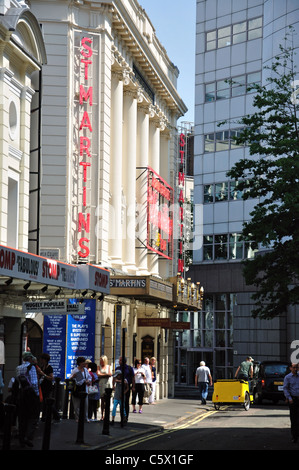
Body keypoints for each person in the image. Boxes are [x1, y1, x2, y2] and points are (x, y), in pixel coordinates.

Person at [14, 351, 40, 447]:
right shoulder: (32, 367)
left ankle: (21, 438)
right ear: (29, 359)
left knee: (22, 417)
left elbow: (18, 381)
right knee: (32, 417)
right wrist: (36, 395)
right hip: (31, 396)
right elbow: (33, 383)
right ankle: (28, 437)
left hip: (22, 395)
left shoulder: (18, 368)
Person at [39, 353, 60, 422]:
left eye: (42, 359)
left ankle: (56, 415)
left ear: (45, 360)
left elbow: (51, 378)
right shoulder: (42, 367)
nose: (41, 360)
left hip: (48, 387)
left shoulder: (49, 367)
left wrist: (43, 374)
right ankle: (44, 416)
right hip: (42, 386)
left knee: (48, 401)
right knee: (44, 401)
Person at [69, 356, 92, 422]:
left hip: (84, 389)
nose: (84, 364)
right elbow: (73, 380)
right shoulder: (75, 370)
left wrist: (88, 381)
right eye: (83, 362)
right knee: (77, 405)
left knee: (86, 404)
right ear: (79, 363)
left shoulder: (85, 370)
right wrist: (83, 380)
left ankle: (86, 417)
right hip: (77, 389)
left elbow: (89, 377)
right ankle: (77, 417)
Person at [283, 363, 299, 443]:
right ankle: (294, 436)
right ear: (290, 368)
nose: (295, 369)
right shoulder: (288, 377)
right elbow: (285, 388)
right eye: (294, 367)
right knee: (294, 419)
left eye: (297, 367)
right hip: (293, 400)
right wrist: (289, 398)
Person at [98, 355, 112, 420]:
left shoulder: (109, 367)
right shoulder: (99, 367)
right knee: (102, 401)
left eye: (102, 360)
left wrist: (102, 375)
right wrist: (105, 375)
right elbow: (98, 374)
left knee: (107, 401)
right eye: (100, 360)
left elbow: (110, 374)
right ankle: (102, 415)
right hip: (101, 384)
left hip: (107, 385)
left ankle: (107, 415)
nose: (101, 362)